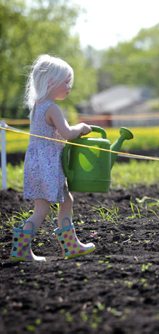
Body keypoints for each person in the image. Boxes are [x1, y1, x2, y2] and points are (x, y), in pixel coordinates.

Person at [10, 55, 96, 262]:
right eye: (66, 82)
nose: (69, 86)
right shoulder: (51, 108)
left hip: (36, 164)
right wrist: (82, 128)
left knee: (54, 204)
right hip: (48, 166)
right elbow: (67, 133)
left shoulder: (38, 106)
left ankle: (27, 248)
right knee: (55, 205)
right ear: (50, 82)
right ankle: (67, 246)